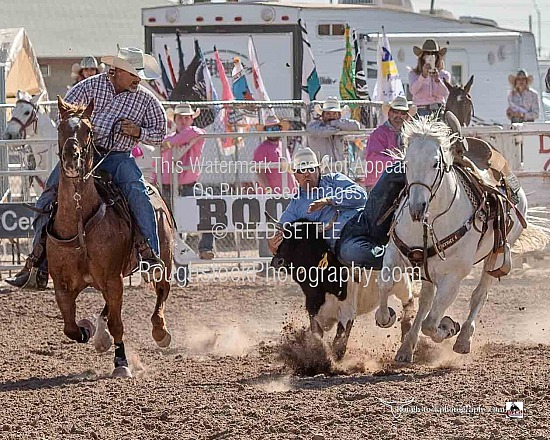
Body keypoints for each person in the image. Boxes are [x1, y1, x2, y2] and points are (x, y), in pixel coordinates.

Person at [6, 47, 167, 289]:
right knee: (47, 198)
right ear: (119, 71)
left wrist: (138, 132)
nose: (139, 79)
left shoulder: (145, 99)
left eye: (140, 74)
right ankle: (37, 263)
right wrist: (79, 126)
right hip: (83, 156)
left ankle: (149, 255)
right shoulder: (90, 86)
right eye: (135, 73)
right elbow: (66, 113)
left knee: (137, 192)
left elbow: (160, 133)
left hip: (117, 156)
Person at [267, 147, 393, 269]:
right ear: (295, 175)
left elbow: (361, 196)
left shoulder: (334, 179)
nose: (306, 174)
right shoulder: (295, 206)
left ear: (318, 170)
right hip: (343, 239)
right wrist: (273, 245)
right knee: (354, 254)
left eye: (310, 169)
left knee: (388, 177)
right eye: (301, 170)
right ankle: (396, 259)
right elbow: (282, 231)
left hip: (365, 218)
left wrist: (330, 200)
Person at [151, 103, 215, 260]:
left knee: (209, 205)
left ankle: (205, 247)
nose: (184, 121)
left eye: (187, 118)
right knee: (168, 224)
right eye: (180, 118)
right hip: (166, 187)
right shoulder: (167, 139)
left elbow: (193, 132)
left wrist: (170, 143)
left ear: (192, 119)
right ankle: (163, 256)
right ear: (175, 119)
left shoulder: (196, 133)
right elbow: (156, 161)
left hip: (188, 187)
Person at [364, 96, 415, 191]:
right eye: (395, 112)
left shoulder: (410, 135)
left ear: (407, 116)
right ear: (389, 113)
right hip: (378, 182)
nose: (399, 116)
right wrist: (399, 161)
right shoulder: (378, 134)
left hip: (400, 181)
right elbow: (373, 159)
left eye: (403, 113)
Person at [306, 97, 360, 165]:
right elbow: (311, 128)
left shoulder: (340, 124)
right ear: (323, 115)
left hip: (339, 167)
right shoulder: (314, 125)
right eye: (328, 114)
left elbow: (356, 125)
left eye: (334, 114)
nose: (331, 116)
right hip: (320, 167)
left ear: (339, 116)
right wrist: (333, 128)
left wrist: (334, 123)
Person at [253, 115, 296, 195]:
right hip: (273, 195)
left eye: (275, 128)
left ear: (280, 129)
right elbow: (259, 172)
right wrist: (268, 190)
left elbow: (289, 170)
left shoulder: (282, 145)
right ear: (265, 131)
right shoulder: (262, 149)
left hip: (288, 192)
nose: (273, 131)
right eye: (269, 129)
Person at [408, 39, 451, 117]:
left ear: (437, 57)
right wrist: (423, 76)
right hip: (420, 109)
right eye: (427, 53)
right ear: (422, 57)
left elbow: (445, 93)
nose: (430, 56)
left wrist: (437, 80)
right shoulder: (414, 74)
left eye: (433, 54)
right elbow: (413, 91)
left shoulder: (444, 75)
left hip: (439, 109)